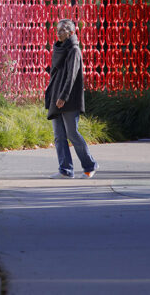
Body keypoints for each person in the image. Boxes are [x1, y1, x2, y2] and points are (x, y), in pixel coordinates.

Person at [45, 19, 98, 179]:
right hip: (56, 96)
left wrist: (63, 96)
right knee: (59, 136)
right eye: (57, 29)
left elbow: (72, 76)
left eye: (62, 30)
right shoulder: (59, 49)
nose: (58, 33)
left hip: (68, 99)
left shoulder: (74, 50)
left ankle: (90, 166)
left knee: (72, 134)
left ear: (72, 33)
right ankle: (65, 170)